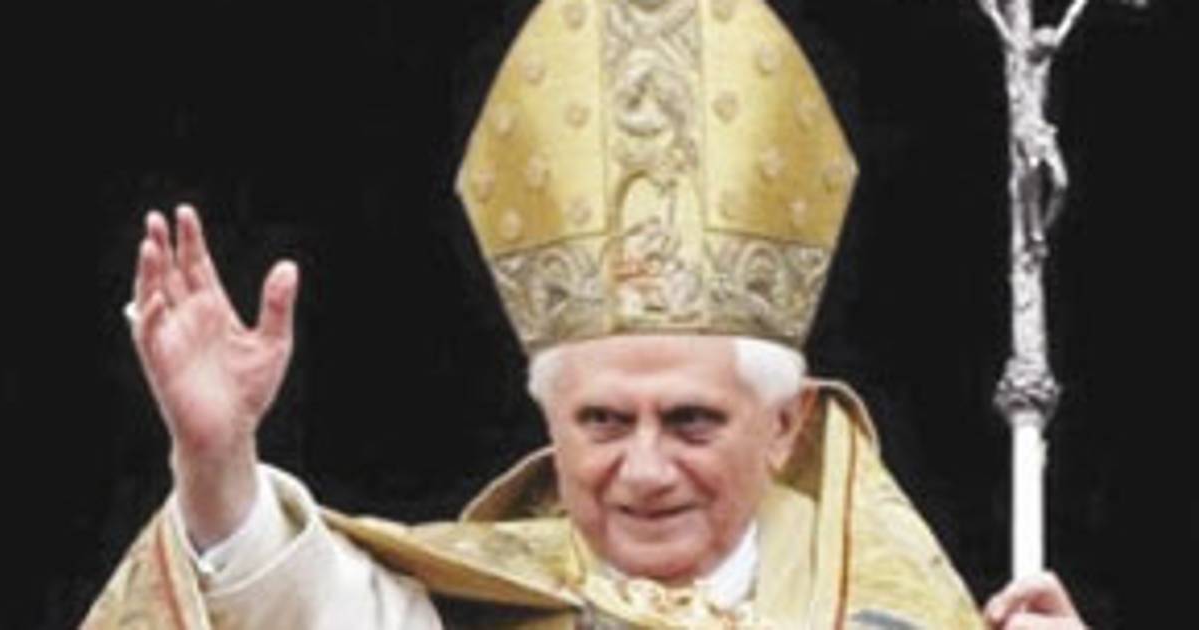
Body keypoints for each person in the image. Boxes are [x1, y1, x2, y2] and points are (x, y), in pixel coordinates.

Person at [86, 1, 1088, 628]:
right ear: (550, 422)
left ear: (784, 425)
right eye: (603, 421)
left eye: (690, 421)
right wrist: (215, 462)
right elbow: (301, 604)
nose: (644, 470)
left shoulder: (885, 614)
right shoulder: (480, 609)